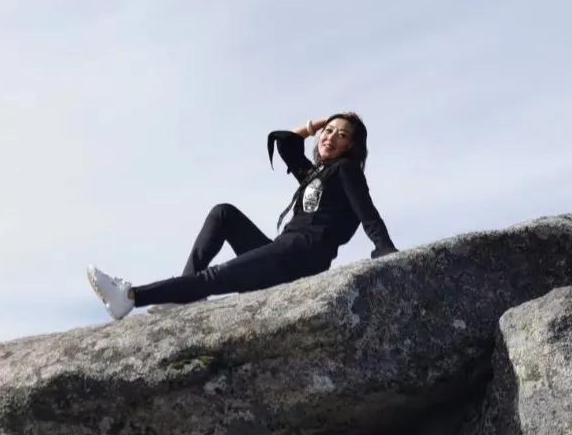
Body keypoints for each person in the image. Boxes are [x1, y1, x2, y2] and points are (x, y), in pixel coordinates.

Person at [86, 112, 398, 320]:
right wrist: (313, 127)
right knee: (224, 213)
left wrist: (384, 249)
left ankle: (130, 297)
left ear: (352, 145)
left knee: (214, 277)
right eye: (328, 131)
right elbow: (286, 144)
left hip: (301, 256)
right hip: (283, 251)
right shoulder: (317, 173)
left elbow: (366, 211)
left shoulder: (346, 170)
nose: (330, 137)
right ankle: (185, 291)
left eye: (341, 135)